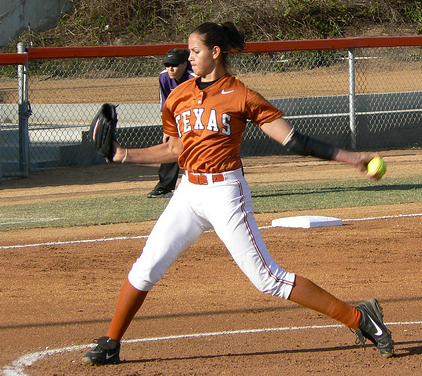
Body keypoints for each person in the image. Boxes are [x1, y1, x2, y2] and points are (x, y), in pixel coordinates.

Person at [82, 22, 393, 365]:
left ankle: (361, 318)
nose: (190, 57)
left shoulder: (241, 94)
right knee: (147, 266)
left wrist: (352, 159)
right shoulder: (178, 95)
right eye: (189, 52)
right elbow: (174, 148)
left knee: (268, 279)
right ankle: (111, 342)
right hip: (188, 193)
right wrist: (122, 154)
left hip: (225, 193)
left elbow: (294, 140)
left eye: (196, 51)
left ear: (216, 53)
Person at [147, 48, 196, 198]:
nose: (170, 69)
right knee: (171, 146)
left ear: (184, 64)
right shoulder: (163, 77)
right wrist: (168, 130)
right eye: (168, 65)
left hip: (198, 117)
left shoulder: (193, 77)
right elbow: (165, 106)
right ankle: (164, 188)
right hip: (178, 119)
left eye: (174, 65)